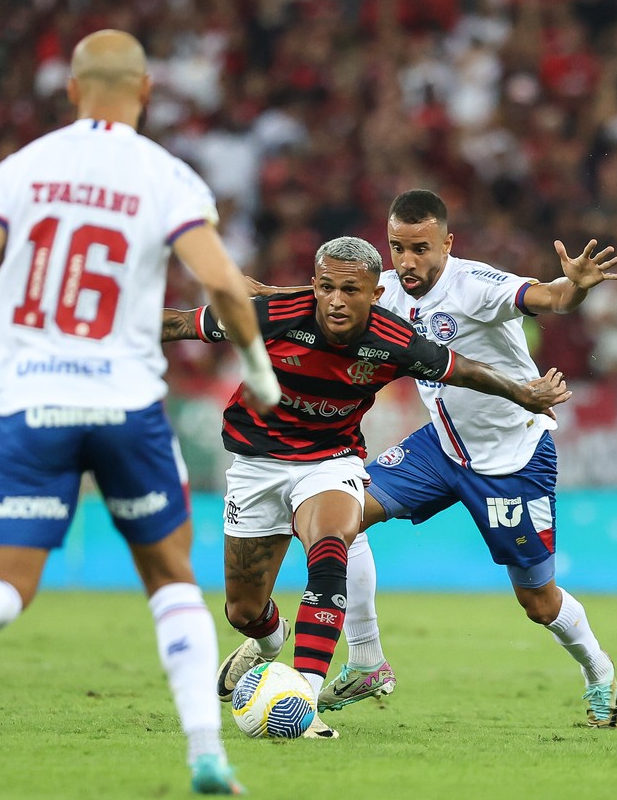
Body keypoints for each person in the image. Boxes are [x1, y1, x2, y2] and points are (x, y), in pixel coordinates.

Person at [0, 29, 280, 795]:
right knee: (172, 578)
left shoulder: (19, 170)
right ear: (146, 90)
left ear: (71, 90)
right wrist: (256, 366)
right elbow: (220, 280)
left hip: (31, 402)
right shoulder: (167, 176)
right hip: (126, 403)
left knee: (6, 577)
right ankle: (206, 755)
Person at [161, 235, 572, 738]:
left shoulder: (393, 340)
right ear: (313, 286)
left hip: (331, 461)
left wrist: (523, 393)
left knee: (334, 545)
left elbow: (462, 370)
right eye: (326, 287)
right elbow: (182, 323)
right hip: (257, 464)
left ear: (375, 294)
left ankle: (303, 701)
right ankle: (270, 643)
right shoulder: (271, 315)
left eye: (350, 290)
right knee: (244, 610)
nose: (336, 300)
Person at [250, 189, 617, 727]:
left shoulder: (474, 284)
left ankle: (599, 670)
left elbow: (549, 298)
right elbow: (339, 294)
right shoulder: (389, 292)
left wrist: (575, 288)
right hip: (440, 449)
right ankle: (366, 661)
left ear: (447, 244)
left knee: (539, 603)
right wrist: (265, 293)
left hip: (511, 462)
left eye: (420, 248)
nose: (407, 261)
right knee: (342, 518)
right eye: (398, 247)